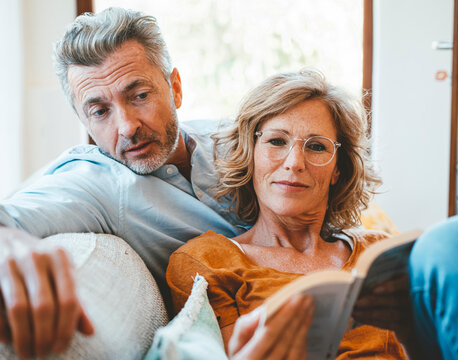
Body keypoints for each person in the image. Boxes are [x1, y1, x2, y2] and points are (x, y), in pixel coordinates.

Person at [0, 7, 313, 359]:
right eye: (100, 111)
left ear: (175, 88)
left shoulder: (235, 139)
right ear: (84, 122)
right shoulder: (97, 183)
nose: (126, 126)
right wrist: (10, 244)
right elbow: (10, 216)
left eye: (139, 95)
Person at [167, 70, 458, 359]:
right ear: (251, 153)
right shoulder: (207, 261)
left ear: (339, 170)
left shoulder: (382, 254)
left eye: (316, 147)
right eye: (276, 141)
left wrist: (406, 328)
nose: (294, 163)